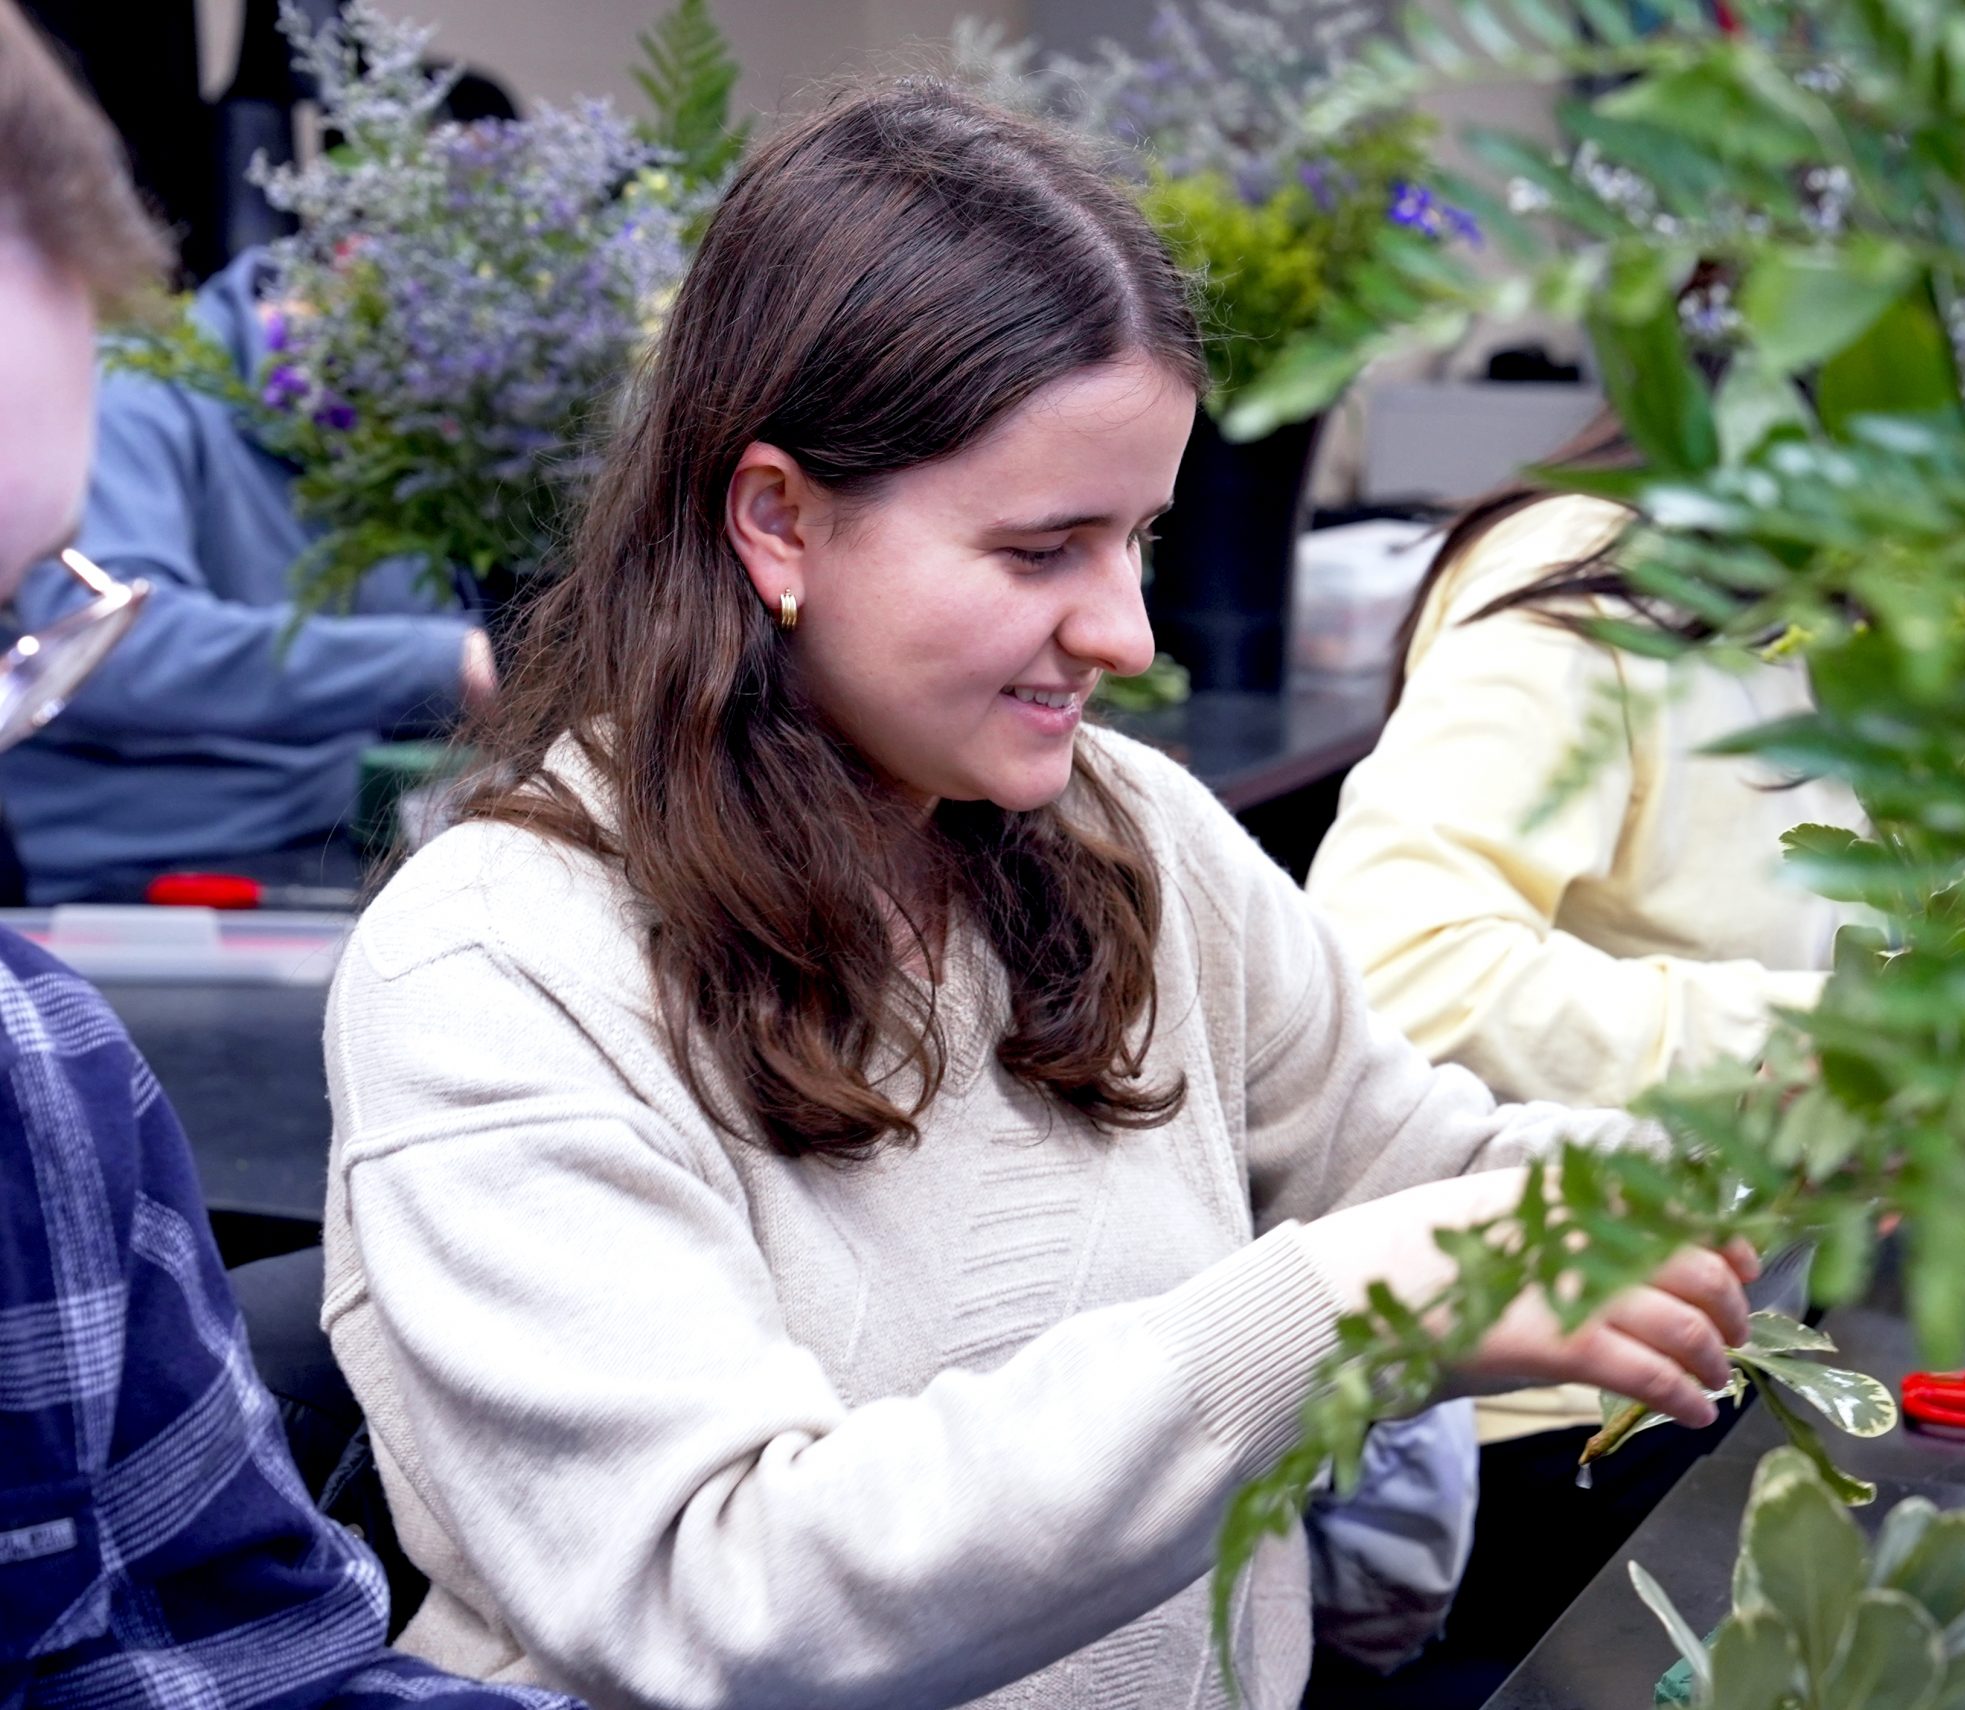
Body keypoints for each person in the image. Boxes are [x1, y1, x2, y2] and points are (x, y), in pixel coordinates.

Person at [318, 83, 1760, 1710]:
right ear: (778, 518)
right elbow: (720, 1597)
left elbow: (1417, 1161)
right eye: (1043, 549)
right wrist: (1335, 1314)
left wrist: (1764, 1160)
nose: (1130, 633)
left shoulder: (1135, 835)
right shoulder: (498, 965)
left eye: (1139, 537)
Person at [0, 6, 577, 1706]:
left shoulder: (44, 1085)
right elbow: (153, 648)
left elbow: (260, 1660)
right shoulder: (163, 403)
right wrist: (441, 670)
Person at [1298, 415, 1863, 1699]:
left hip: (1710, 1348)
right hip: (1552, 1412)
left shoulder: (1819, 594)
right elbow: (1399, 960)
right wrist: (1836, 1055)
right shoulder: (1592, 574)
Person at [0, 238, 498, 902]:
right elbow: (112, 646)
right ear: (352, 264)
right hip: (142, 869)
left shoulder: (394, 434)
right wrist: (444, 664)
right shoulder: (136, 390)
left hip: (326, 839)